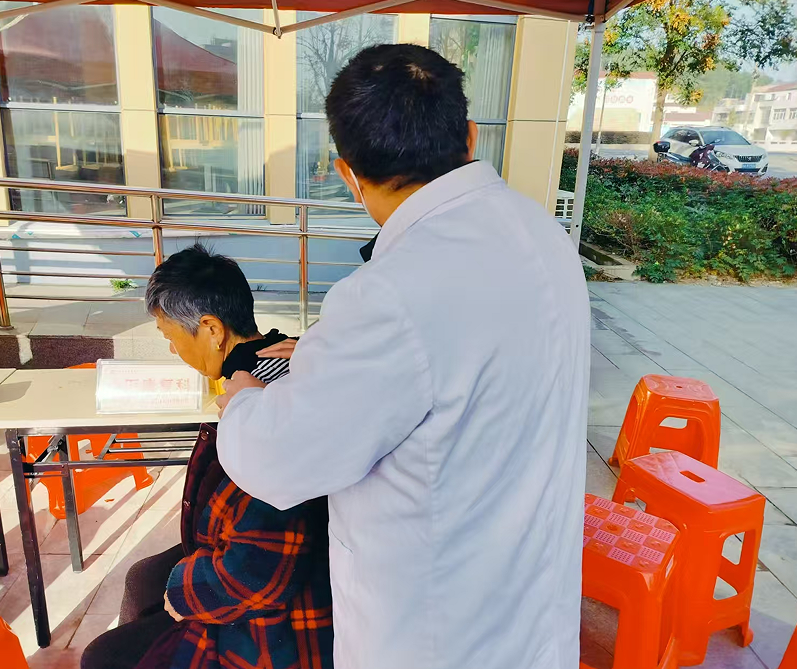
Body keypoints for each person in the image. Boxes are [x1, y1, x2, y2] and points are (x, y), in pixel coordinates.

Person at [215, 44, 591, 669]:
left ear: (347, 173)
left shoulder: (386, 296)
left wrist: (245, 398)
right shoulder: (542, 234)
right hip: (533, 611)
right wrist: (334, 356)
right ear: (470, 136)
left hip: (440, 633)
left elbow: (279, 460)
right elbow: (468, 358)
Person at [81, 245, 332, 669]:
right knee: (143, 577)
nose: (173, 350)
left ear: (212, 329)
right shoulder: (278, 359)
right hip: (251, 553)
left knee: (103, 656)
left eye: (170, 337)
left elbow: (256, 567)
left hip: (282, 610)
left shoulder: (264, 409)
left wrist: (185, 594)